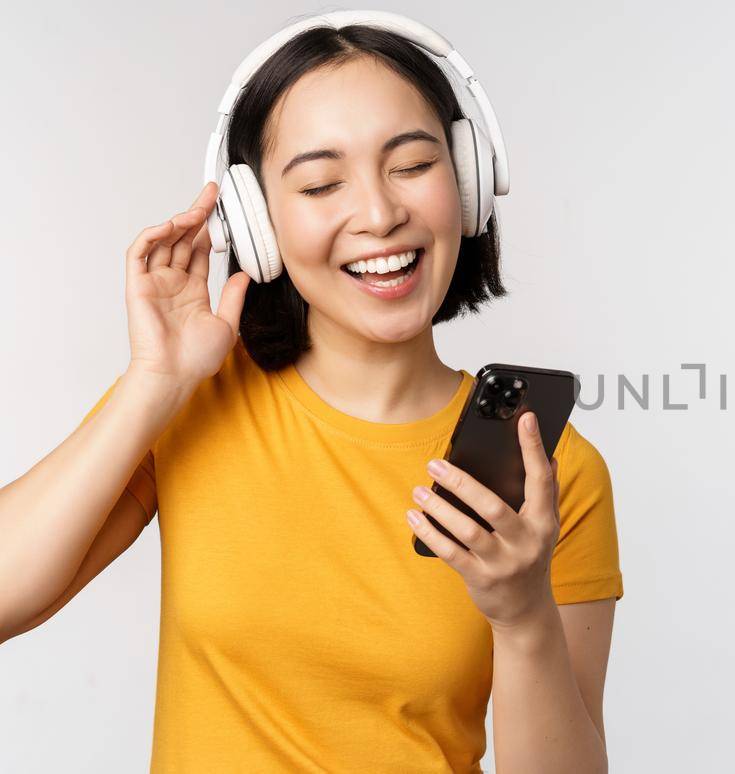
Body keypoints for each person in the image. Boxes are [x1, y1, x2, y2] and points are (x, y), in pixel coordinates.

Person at [0, 17, 620, 773]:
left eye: (414, 165)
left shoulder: (552, 471)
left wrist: (522, 616)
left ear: (466, 181)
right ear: (258, 222)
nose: (380, 214)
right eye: (323, 183)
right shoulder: (194, 403)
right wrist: (153, 384)